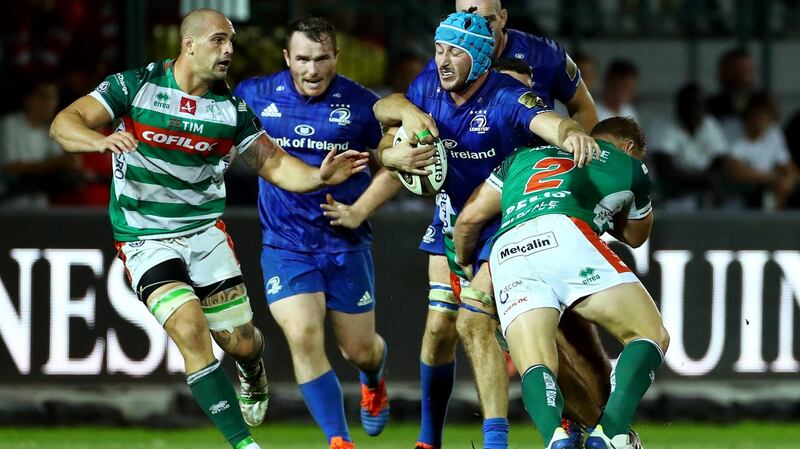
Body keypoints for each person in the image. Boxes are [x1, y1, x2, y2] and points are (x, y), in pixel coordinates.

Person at [49, 9, 368, 449]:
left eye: (231, 42)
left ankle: (252, 368)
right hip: (144, 238)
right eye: (219, 40)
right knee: (189, 328)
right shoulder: (134, 86)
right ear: (189, 44)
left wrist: (319, 177)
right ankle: (244, 443)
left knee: (237, 342)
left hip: (204, 234)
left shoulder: (230, 109)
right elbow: (63, 123)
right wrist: (99, 140)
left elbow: (275, 165)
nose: (229, 51)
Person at [325, 2, 606, 447]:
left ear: (477, 56)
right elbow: (384, 116)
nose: (441, 59)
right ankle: (430, 439)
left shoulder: (508, 93)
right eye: (438, 49)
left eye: (453, 52)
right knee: (441, 326)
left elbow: (551, 118)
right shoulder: (429, 88)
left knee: (486, 323)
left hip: (509, 225)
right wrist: (393, 152)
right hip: (452, 220)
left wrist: (571, 135)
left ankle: (556, 430)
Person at [453, 117, 670, 449]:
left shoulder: (520, 158)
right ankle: (611, 432)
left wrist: (466, 263)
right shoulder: (628, 165)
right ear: (628, 148)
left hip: (507, 248)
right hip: (565, 232)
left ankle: (555, 438)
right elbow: (636, 236)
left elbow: (468, 219)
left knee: (536, 361)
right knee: (650, 333)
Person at [234, 17, 390, 449]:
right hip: (286, 244)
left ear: (337, 57)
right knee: (302, 334)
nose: (313, 69)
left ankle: (374, 377)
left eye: (322, 59)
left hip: (345, 243)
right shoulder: (252, 95)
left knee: (360, 350)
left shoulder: (362, 106)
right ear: (287, 58)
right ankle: (338, 440)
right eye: (302, 59)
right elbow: (215, 136)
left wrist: (359, 210)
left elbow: (396, 167)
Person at [0, 76, 79, 207]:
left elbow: (69, 163)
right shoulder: (9, 124)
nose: (49, 103)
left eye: (53, 97)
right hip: (8, 202)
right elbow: (10, 167)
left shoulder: (52, 129)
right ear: (27, 99)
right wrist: (55, 163)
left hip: (39, 202)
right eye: (43, 97)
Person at [652, 83, 729, 210]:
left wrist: (699, 179)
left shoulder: (709, 124)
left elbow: (722, 163)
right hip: (666, 201)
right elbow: (665, 170)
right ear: (678, 107)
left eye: (698, 106)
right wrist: (704, 179)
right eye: (688, 105)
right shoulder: (662, 125)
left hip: (702, 202)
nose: (693, 111)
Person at [727, 92, 799, 210]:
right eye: (755, 116)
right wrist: (773, 178)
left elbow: (789, 168)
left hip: (771, 193)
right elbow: (737, 172)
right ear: (747, 116)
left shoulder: (773, 134)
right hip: (742, 196)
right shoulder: (737, 138)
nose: (758, 121)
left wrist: (788, 180)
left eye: (763, 116)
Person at [706, 48, 756, 140]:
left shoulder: (761, 104)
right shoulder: (709, 105)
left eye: (747, 70)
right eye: (736, 70)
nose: (741, 75)